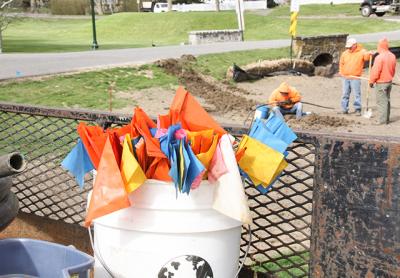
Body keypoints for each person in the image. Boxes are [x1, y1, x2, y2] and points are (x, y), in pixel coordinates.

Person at [339, 37, 371, 116]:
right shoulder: (345, 53)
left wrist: (369, 54)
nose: (348, 48)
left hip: (355, 77)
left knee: (357, 94)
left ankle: (357, 109)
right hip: (345, 77)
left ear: (355, 45)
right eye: (348, 46)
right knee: (345, 94)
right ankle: (344, 109)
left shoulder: (361, 52)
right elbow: (341, 63)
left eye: (350, 46)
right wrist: (341, 72)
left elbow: (366, 58)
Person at [369, 38, 396, 125]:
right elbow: (393, 70)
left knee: (381, 102)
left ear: (380, 46)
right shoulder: (392, 56)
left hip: (381, 83)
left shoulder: (379, 57)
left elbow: (376, 71)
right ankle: (386, 119)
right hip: (389, 82)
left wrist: (371, 81)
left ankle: (382, 120)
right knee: (387, 100)